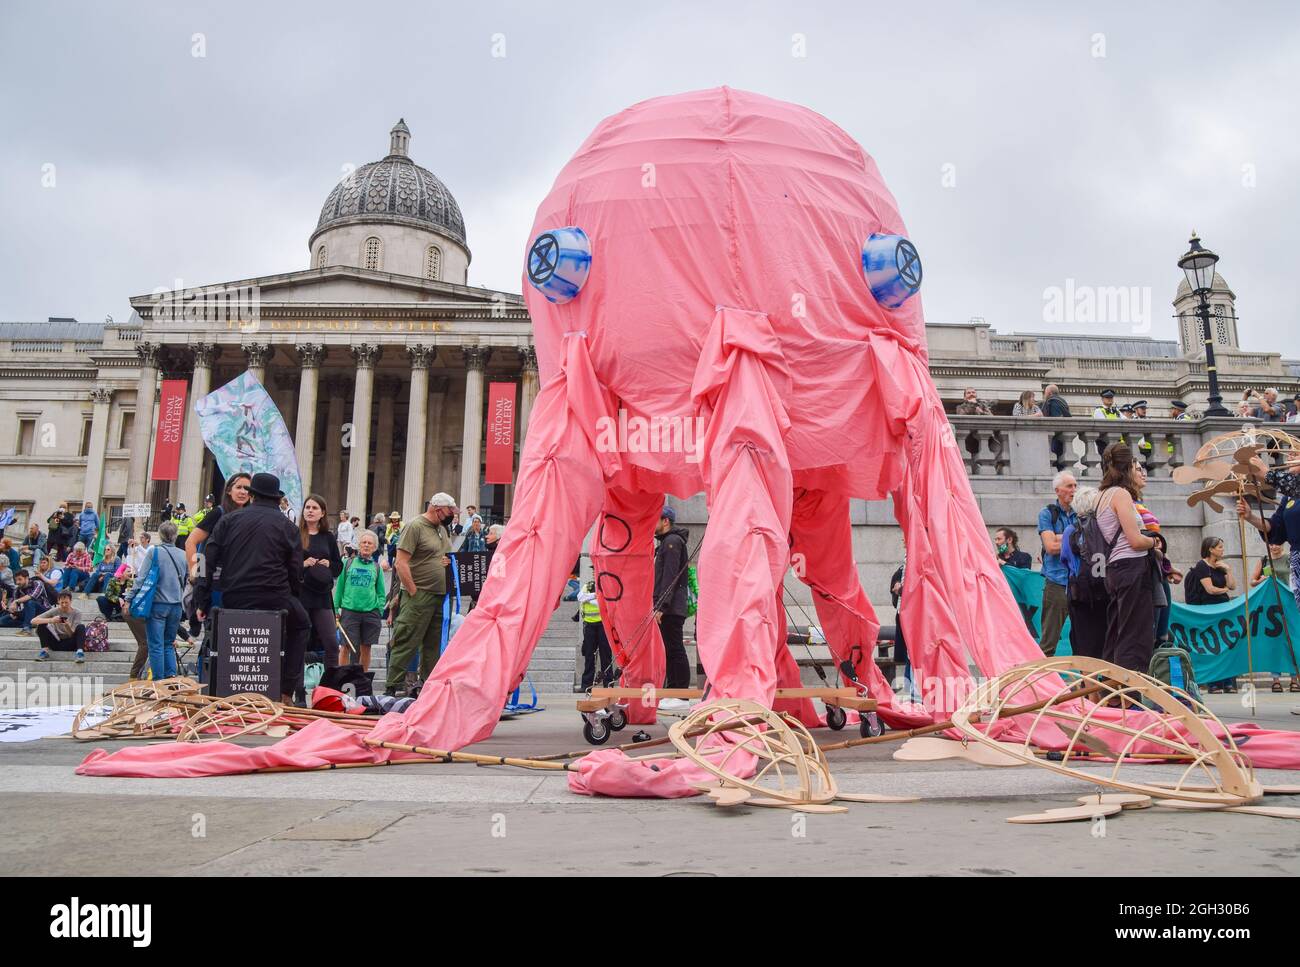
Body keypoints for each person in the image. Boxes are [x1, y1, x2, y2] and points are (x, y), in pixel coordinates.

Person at [196, 473, 311, 705]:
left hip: (235, 595)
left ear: (252, 495)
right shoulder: (288, 527)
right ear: (277, 499)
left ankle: (220, 687)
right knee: (302, 624)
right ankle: (286, 691)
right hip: (275, 597)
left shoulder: (228, 520)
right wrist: (292, 596)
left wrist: (201, 596)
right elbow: (295, 570)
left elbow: (204, 558)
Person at [385, 493, 456, 696]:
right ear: (437, 508)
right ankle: (392, 686)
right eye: (450, 511)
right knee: (406, 639)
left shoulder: (442, 529)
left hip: (440, 596)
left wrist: (446, 562)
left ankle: (428, 687)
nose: (452, 515)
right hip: (419, 594)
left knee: (433, 645)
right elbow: (400, 562)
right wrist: (413, 591)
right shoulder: (415, 526)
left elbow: (439, 556)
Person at [1096, 443, 1157, 672]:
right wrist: (1155, 542)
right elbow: (1135, 540)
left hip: (1115, 568)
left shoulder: (1101, 495)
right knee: (1136, 634)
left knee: (1117, 631)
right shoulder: (1120, 495)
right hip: (1132, 566)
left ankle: (1112, 691)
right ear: (1127, 467)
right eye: (1134, 465)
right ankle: (1129, 693)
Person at [136, 520, 189, 681]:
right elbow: (188, 579)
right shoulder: (184, 554)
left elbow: (142, 577)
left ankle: (158, 682)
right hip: (176, 606)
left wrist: (130, 597)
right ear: (175, 536)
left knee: (156, 645)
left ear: (160, 535)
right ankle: (171, 678)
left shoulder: (154, 552)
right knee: (168, 643)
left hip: (158, 604)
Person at [1185, 536, 1238, 694]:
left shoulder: (1221, 566)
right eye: (1220, 547)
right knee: (1212, 645)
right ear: (1210, 549)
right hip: (1208, 609)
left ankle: (1229, 682)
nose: (1222, 549)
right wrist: (1225, 590)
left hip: (1223, 609)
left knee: (1227, 644)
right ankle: (1213, 683)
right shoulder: (1202, 566)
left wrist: (1228, 570)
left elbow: (1233, 586)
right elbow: (1210, 589)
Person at [298, 494, 343, 673]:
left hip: (322, 596)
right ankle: (298, 692)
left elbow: (339, 566)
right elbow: (285, 565)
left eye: (314, 508)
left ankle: (330, 689)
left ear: (322, 513)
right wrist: (303, 564)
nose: (310, 511)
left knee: (331, 643)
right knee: (299, 643)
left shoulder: (328, 537)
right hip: (301, 595)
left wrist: (329, 564)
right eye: (307, 507)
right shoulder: (295, 534)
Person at [1037, 471, 1077, 656]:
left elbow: (1089, 543)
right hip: (1057, 583)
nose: (1074, 490)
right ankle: (1039, 682)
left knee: (1083, 638)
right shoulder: (1046, 514)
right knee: (1048, 641)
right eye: (1069, 486)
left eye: (1075, 486)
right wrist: (1076, 538)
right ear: (1057, 490)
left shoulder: (1082, 512)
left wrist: (1062, 537)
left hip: (1079, 582)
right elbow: (1051, 546)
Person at [653, 505, 692, 700]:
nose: (652, 523)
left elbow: (670, 577)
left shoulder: (672, 542)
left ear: (665, 521)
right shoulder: (666, 543)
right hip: (669, 605)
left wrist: (662, 606)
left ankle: (680, 693)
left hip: (671, 607)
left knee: (674, 648)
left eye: (655, 519)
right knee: (669, 649)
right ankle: (673, 690)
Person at [334, 529, 387, 671]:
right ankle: (343, 677)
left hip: (370, 613)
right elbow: (339, 588)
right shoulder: (347, 563)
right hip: (349, 611)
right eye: (364, 542)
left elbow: (381, 593)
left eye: (370, 543)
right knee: (345, 647)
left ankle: (362, 679)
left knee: (366, 647)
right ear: (359, 545)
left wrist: (379, 609)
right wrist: (335, 609)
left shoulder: (376, 567)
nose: (366, 545)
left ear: (375, 547)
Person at [1250, 544, 1298, 692]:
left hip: (1290, 605)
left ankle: (1294, 679)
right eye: (1270, 544)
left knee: (1292, 641)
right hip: (1272, 608)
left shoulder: (1290, 559)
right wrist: (1262, 580)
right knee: (1275, 643)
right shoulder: (1264, 560)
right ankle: (1275, 679)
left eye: (1276, 543)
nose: (1273, 547)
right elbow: (1253, 581)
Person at [185, 472, 252, 576]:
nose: (243, 492)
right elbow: (191, 541)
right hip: (213, 577)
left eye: (247, 488)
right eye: (238, 487)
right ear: (229, 490)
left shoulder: (250, 517)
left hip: (237, 578)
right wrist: (195, 574)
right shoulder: (218, 513)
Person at [32, 589, 86, 663]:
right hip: (56, 642)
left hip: (71, 642)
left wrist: (67, 626)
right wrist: (51, 620)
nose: (64, 605)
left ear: (71, 601)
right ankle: (44, 651)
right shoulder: (54, 610)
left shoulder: (77, 613)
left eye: (66, 602)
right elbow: (33, 621)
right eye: (62, 603)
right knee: (42, 624)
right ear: (58, 601)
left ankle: (80, 652)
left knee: (81, 627)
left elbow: (72, 634)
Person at [577, 579, 613, 689]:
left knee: (606, 656)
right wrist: (596, 595)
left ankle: (608, 684)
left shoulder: (608, 584)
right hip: (589, 626)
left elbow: (604, 601)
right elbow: (581, 597)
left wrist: (590, 597)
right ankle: (586, 685)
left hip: (604, 625)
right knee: (589, 656)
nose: (594, 573)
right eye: (593, 571)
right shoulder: (588, 585)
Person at [0, 569, 51, 635]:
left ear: (27, 578)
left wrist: (16, 601)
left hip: (43, 611)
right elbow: (16, 608)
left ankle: (26, 629)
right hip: (28, 613)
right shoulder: (17, 590)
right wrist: (9, 609)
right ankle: (32, 623)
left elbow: (32, 596)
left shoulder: (37, 583)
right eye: (16, 580)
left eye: (20, 579)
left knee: (30, 602)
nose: (17, 582)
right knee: (2, 621)